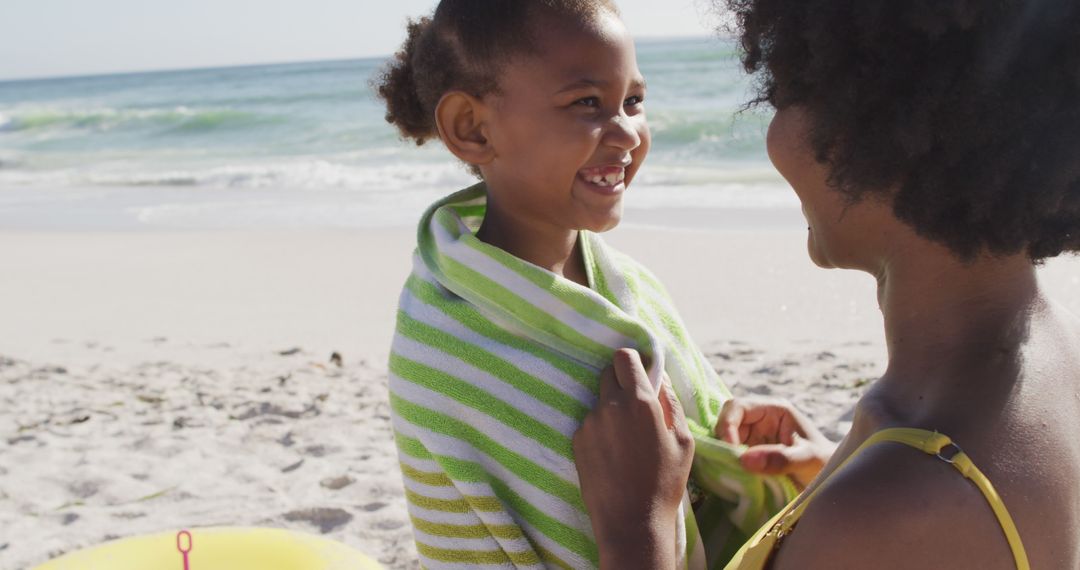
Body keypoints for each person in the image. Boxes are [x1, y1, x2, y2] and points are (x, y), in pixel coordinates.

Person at [572, 1, 1080, 569]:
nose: (772, 135)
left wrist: (636, 523)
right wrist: (837, 471)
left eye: (789, 91)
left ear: (875, 130)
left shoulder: (888, 515)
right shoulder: (1058, 347)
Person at [374, 1, 794, 568]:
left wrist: (734, 454)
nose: (626, 133)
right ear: (471, 128)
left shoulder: (632, 286)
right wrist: (644, 517)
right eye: (586, 103)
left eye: (634, 101)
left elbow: (690, 457)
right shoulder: (444, 348)